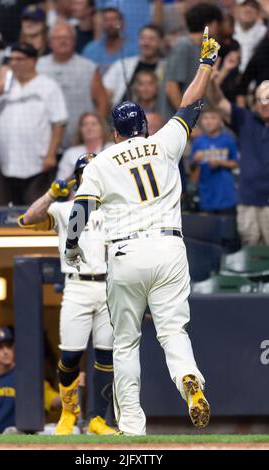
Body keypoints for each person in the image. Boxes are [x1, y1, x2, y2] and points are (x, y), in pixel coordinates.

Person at [64, 27, 220, 435]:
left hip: (126, 254)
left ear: (116, 132)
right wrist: (206, 64)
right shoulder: (165, 142)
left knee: (126, 342)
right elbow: (191, 105)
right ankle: (189, 378)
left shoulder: (100, 162)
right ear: (145, 127)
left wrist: (72, 246)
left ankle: (132, 427)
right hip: (170, 249)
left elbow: (80, 210)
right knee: (173, 330)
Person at [18, 154, 117, 436]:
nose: (90, 177)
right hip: (76, 284)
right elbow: (27, 219)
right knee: (71, 355)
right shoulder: (65, 208)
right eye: (84, 173)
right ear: (77, 179)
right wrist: (51, 194)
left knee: (106, 357)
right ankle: (69, 412)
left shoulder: (115, 208)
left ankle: (98, 419)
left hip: (109, 286)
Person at [0, 43, 68, 205]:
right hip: (5, 164)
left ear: (33, 61)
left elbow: (59, 123)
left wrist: (51, 155)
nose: (13, 63)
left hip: (37, 165)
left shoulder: (48, 86)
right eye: (10, 60)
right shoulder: (4, 88)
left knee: (37, 215)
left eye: (19, 59)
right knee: (0, 216)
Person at [209, 73, 269, 245]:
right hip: (248, 201)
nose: (264, 104)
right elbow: (219, 103)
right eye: (260, 99)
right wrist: (212, 82)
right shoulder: (245, 119)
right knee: (250, 253)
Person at [0, 327, 60, 434]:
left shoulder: (27, 376)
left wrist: (71, 389)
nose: (6, 351)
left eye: (9, 346)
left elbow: (54, 401)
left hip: (19, 442)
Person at [37, 21, 109, 149]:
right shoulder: (39, 66)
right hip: (45, 140)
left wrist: (93, 132)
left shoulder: (88, 67)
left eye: (67, 38)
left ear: (74, 41)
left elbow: (102, 102)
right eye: (58, 38)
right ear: (50, 42)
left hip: (80, 141)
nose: (63, 41)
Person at [165, 2, 223, 114]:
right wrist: (184, 120)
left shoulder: (204, 49)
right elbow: (171, 88)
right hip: (182, 124)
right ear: (212, 25)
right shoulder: (183, 45)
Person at [190, 107, 238, 214]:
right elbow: (191, 168)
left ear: (221, 121)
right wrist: (194, 160)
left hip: (226, 194)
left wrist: (221, 162)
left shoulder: (228, 140)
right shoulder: (198, 142)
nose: (209, 121)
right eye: (205, 118)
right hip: (206, 193)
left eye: (213, 118)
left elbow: (236, 164)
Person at [103, 24, 165, 107]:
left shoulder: (167, 68)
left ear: (160, 42)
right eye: (143, 38)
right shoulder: (121, 64)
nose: (146, 43)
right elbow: (106, 91)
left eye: (151, 39)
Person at [83, 7, 138, 76]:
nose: (110, 24)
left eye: (114, 19)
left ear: (122, 23)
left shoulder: (134, 50)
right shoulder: (91, 50)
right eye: (106, 20)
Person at [57, 112, 112, 180]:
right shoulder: (70, 153)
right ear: (80, 130)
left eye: (94, 124)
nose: (89, 128)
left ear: (102, 128)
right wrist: (78, 173)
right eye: (85, 125)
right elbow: (60, 184)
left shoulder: (113, 149)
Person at [233, 0, 266, 73]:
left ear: (259, 12)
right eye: (244, 5)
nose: (248, 9)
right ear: (237, 8)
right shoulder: (227, 30)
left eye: (253, 6)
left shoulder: (265, 34)